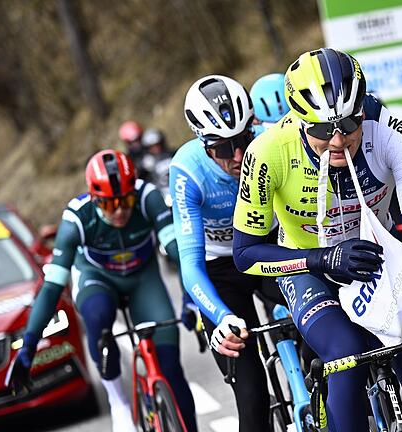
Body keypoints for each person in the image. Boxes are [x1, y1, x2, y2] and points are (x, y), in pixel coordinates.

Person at [231, 48, 402, 432]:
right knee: (345, 356)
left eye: (348, 125)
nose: (337, 141)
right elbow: (245, 254)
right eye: (320, 131)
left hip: (381, 258)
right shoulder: (267, 154)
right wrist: (321, 259)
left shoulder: (394, 135)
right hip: (308, 267)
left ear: (362, 111)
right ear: (298, 121)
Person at [7, 150, 196, 432]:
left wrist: (193, 301)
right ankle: (118, 401)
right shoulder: (76, 219)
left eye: (125, 201)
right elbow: (51, 288)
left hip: (143, 278)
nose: (120, 211)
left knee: (171, 367)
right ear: (95, 200)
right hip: (98, 279)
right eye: (109, 205)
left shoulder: (147, 198)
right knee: (98, 315)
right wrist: (29, 347)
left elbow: (181, 254)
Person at [170, 74, 281, 432]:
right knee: (251, 396)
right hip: (220, 268)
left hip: (267, 252)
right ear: (203, 144)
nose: (237, 156)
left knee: (322, 342)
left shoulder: (270, 142)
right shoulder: (187, 170)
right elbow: (189, 265)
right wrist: (219, 316)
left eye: (244, 139)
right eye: (222, 147)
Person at [141, 128, 175, 201]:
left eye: (157, 144)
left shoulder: (173, 154)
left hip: (177, 188)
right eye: (152, 146)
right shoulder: (146, 163)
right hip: (161, 194)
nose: (156, 148)